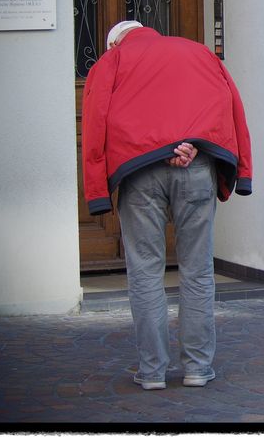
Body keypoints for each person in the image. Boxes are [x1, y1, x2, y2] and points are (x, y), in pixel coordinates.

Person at [81, 20, 253, 391]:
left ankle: (152, 372)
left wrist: (96, 191)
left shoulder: (113, 62)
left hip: (139, 173)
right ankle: (197, 369)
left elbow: (95, 121)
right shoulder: (199, 53)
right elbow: (226, 104)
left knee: (145, 272)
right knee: (198, 270)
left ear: (115, 43)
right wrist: (195, 145)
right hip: (196, 165)